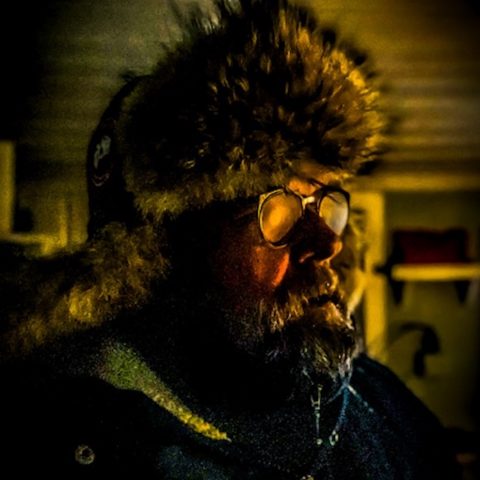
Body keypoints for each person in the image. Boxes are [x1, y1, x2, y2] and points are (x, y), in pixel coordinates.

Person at [0, 0, 461, 478]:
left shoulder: (385, 405)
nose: (327, 243)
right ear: (164, 251)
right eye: (278, 207)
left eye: (324, 202)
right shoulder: (70, 439)